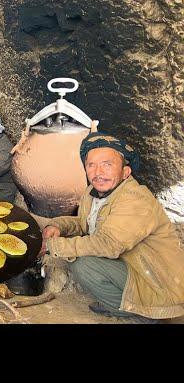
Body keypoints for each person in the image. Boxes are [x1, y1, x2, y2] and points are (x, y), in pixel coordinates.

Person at [35, 132, 184, 322]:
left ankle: (146, 313)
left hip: (157, 282)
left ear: (125, 172)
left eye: (107, 165)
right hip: (131, 267)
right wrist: (58, 226)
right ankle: (120, 304)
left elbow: (108, 244)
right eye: (91, 165)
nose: (98, 173)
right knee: (80, 256)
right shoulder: (93, 191)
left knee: (84, 264)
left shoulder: (135, 199)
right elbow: (84, 223)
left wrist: (52, 247)